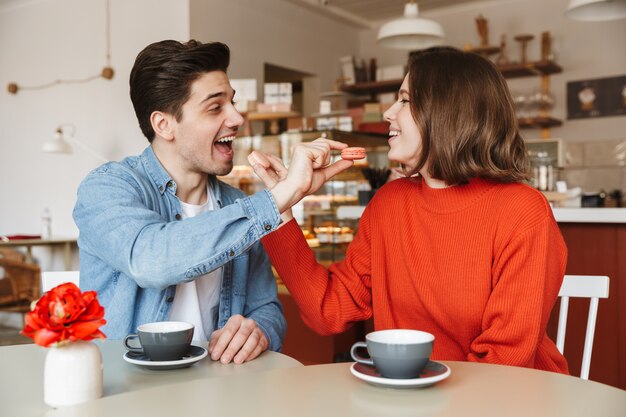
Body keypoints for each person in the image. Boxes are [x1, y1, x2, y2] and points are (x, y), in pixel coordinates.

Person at [249, 46, 569, 374]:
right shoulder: (389, 203)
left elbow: (504, 363)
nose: (389, 112)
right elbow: (328, 311)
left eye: (404, 100)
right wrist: (282, 205)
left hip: (508, 399)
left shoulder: (523, 212)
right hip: (413, 394)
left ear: (447, 111)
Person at [73, 40, 335, 364]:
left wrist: (259, 330)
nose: (237, 118)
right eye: (215, 107)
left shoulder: (236, 205)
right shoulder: (107, 187)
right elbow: (150, 260)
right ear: (163, 124)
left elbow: (267, 308)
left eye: (232, 103)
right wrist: (280, 196)